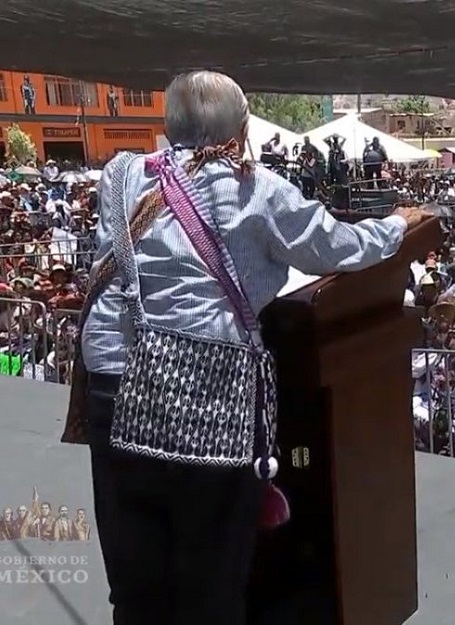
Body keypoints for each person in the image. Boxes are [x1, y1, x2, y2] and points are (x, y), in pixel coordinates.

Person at [75, 70, 430, 625]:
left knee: (136, 585)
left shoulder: (119, 176)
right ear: (241, 131)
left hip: (116, 391)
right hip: (204, 397)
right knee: (210, 587)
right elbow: (333, 246)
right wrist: (395, 227)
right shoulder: (254, 189)